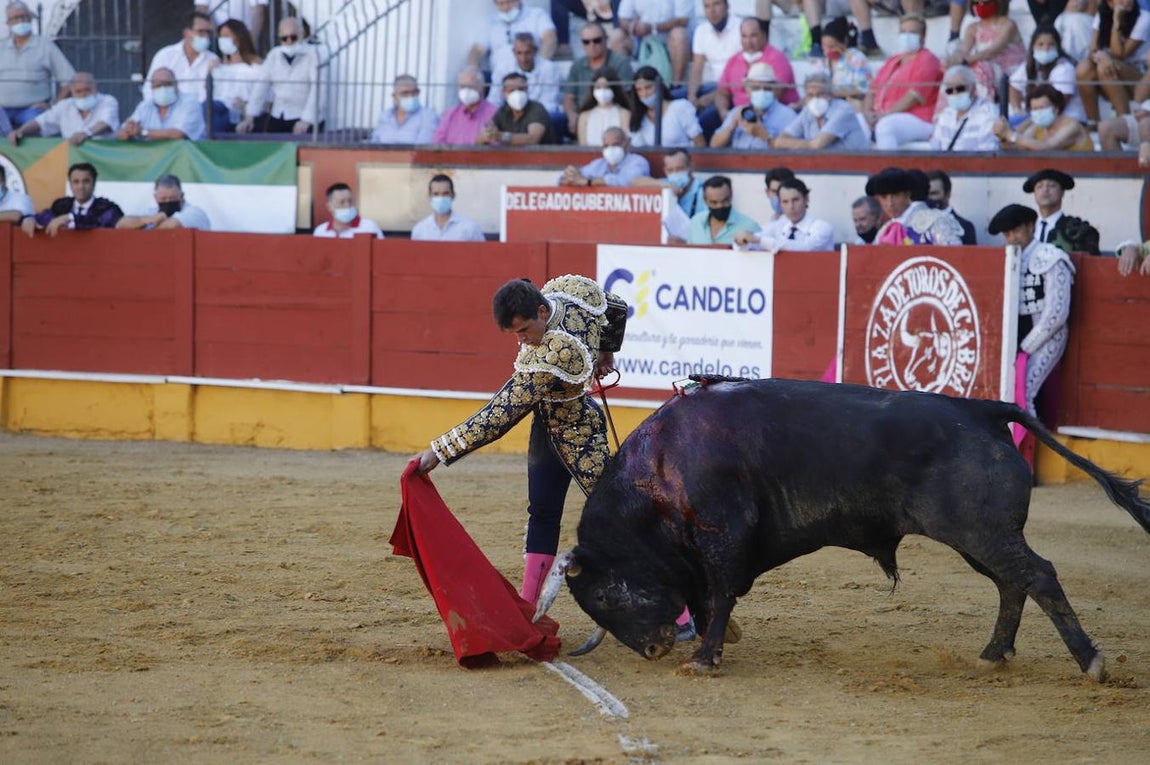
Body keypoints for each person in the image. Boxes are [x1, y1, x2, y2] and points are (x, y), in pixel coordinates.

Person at [411, 275, 625, 606]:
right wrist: (607, 352)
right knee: (541, 512)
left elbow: (500, 416)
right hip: (547, 427)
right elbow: (616, 308)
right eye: (515, 334)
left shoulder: (553, 355)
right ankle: (527, 605)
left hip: (580, 433)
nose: (523, 341)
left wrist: (439, 451)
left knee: (618, 513)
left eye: (524, 330)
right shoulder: (571, 293)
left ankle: (680, 612)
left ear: (541, 311)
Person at [986, 203, 1075, 419]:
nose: (1012, 238)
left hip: (1046, 335)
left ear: (1030, 226)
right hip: (1014, 336)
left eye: (1016, 231)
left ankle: (1027, 447)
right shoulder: (1004, 259)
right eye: (1007, 233)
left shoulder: (1051, 257)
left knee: (1023, 391)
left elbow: (1056, 314)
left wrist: (1026, 346)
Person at [863, 14, 942, 150]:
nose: (906, 36)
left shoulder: (928, 59)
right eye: (903, 32)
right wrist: (867, 113)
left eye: (912, 32)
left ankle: (888, 170)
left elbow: (913, 97)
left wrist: (883, 116)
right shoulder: (893, 60)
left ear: (923, 37)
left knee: (886, 126)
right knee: (854, 122)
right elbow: (872, 92)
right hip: (882, 115)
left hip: (918, 118)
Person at [711, 16, 799, 133]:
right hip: (739, 114)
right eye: (744, 36)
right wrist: (724, 112)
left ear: (763, 36)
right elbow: (722, 92)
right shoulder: (734, 60)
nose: (749, 41)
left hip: (773, 115)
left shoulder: (777, 59)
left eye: (753, 36)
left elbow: (774, 94)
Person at [238, 17, 320, 135]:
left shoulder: (313, 55)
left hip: (303, 117)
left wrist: (307, 120)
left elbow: (317, 90)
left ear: (302, 35)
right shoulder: (274, 55)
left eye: (293, 37)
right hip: (279, 114)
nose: (289, 42)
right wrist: (250, 116)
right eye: (284, 38)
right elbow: (261, 86)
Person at [0, 1, 75, 128]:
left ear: (30, 19)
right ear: (8, 23)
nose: (20, 21)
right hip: (2, 109)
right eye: (15, 18)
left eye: (24, 17)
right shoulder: (1, 46)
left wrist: (54, 106)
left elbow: (69, 80)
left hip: (33, 109)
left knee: (36, 129)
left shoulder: (45, 46)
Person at [1076, 0, 1150, 126]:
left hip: (1139, 75)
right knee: (1083, 68)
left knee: (1106, 67)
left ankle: (1125, 122)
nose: (1127, 1)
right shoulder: (1102, 15)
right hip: (1111, 67)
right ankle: (1093, 123)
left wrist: (1116, 21)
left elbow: (1119, 54)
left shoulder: (1143, 18)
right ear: (1110, 4)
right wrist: (1101, 55)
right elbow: (1092, 51)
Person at [562, 22, 634, 138]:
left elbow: (626, 96)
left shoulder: (621, 63)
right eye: (586, 42)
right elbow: (568, 97)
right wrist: (572, 116)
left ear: (606, 40)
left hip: (614, 114)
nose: (591, 45)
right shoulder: (577, 66)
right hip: (583, 117)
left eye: (596, 40)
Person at [6, 72, 119, 146]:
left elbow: (106, 123)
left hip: (104, 158)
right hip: (74, 162)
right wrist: (20, 131)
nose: (83, 94)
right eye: (78, 91)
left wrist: (85, 134)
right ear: (72, 92)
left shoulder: (108, 101)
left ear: (95, 88)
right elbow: (40, 122)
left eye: (87, 90)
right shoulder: (65, 106)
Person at [946, 0, 1026, 102]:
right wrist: (953, 61)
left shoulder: (1008, 24)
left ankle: (986, 104)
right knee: (953, 72)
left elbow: (993, 50)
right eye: (977, 3)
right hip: (990, 70)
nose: (981, 6)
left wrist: (966, 60)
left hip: (1011, 71)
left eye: (985, 2)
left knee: (981, 67)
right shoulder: (972, 28)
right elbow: (963, 50)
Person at [1007, 25, 1086, 125]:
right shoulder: (1030, 65)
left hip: (1065, 119)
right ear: (1033, 47)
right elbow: (1014, 87)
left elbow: (1060, 104)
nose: (1045, 48)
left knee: (1014, 129)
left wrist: (1028, 120)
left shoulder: (1065, 68)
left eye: (1051, 44)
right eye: (1040, 44)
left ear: (1058, 47)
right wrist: (1017, 110)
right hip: (1038, 116)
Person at [489, 33, 564, 138]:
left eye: (527, 53)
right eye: (519, 53)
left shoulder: (549, 68)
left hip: (538, 114)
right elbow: (493, 101)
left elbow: (549, 104)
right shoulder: (502, 69)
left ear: (535, 51)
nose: (523, 58)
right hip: (510, 114)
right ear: (513, 52)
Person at [19, 162, 123, 237]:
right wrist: (28, 219)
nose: (80, 186)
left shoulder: (105, 207)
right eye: (76, 182)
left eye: (86, 181)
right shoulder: (62, 205)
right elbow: (41, 217)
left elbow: (100, 222)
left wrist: (69, 217)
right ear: (70, 184)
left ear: (94, 183)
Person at [866, 167, 964, 245]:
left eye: (895, 196)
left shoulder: (934, 221)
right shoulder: (885, 230)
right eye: (884, 197)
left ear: (907, 194)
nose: (889, 203)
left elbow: (953, 257)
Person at [709, 62, 797, 149]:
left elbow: (793, 154)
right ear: (747, 90)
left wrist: (763, 135)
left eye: (767, 88)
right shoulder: (737, 111)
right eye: (756, 88)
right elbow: (714, 145)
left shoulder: (788, 115)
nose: (762, 91)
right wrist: (732, 126)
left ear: (774, 90)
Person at [774, 72, 870, 151]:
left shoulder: (843, 110)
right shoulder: (807, 111)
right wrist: (780, 142)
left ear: (830, 95)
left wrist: (784, 143)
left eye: (820, 94)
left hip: (854, 165)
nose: (815, 99)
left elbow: (816, 145)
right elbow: (782, 138)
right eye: (810, 95)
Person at [734, 177, 835, 252]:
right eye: (785, 202)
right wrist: (742, 240)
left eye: (795, 200)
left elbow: (804, 248)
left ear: (806, 199)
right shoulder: (779, 225)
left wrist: (760, 240)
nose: (791, 206)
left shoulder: (823, 227)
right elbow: (752, 242)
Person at [611, 0, 692, 85]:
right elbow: (623, 18)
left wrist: (653, 28)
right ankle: (626, 87)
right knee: (616, 37)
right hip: (642, 41)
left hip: (669, 43)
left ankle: (676, 85)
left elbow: (683, 20)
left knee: (679, 34)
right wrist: (632, 27)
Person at [145, 11, 219, 104]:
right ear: (186, 33)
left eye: (208, 32)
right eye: (200, 32)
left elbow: (215, 95)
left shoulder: (213, 60)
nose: (206, 36)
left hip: (199, 115)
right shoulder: (166, 55)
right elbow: (149, 89)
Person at [994, 84, 1095, 151]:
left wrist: (1011, 135)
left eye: (1041, 108)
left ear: (1056, 109)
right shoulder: (1038, 127)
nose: (1038, 112)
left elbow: (1047, 147)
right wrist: (1003, 137)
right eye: (1034, 109)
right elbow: (1018, 146)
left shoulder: (1072, 126)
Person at [1023, 168, 1101, 255]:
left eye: (1052, 185)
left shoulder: (1079, 231)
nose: (1045, 190)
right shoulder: (1025, 229)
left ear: (1062, 192)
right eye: (1039, 186)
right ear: (1034, 193)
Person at [116, 67, 206, 141]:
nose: (163, 88)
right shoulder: (145, 106)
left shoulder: (190, 102)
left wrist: (142, 132)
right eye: (158, 86)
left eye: (167, 84)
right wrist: (127, 132)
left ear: (176, 84)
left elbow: (178, 134)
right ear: (152, 88)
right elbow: (122, 132)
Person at [687, 0, 744, 114]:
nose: (712, 11)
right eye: (707, 6)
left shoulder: (742, 28)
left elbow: (741, 76)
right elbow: (697, 69)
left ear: (727, 6)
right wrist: (691, 97)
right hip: (710, 87)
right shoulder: (701, 31)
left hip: (733, 90)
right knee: (674, 99)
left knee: (704, 119)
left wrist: (712, 97)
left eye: (716, 4)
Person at [627, 66, 705, 147]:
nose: (644, 93)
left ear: (659, 86)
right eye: (639, 90)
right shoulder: (638, 117)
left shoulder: (680, 107)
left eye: (648, 87)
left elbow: (700, 143)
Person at [471, 0, 558, 73]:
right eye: (501, 4)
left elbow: (550, 40)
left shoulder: (537, 15)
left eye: (509, 2)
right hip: (500, 78)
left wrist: (538, 66)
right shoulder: (491, 22)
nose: (506, 8)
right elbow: (477, 50)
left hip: (531, 75)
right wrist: (472, 69)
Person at [209, 19, 262, 135]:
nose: (222, 40)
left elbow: (265, 101)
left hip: (240, 114)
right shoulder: (217, 67)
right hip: (216, 111)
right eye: (220, 37)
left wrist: (246, 105)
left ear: (239, 39)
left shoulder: (254, 68)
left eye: (226, 36)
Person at [928, 65, 999, 151]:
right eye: (949, 91)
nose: (955, 94)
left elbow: (988, 157)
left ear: (973, 89)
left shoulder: (987, 115)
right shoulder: (945, 115)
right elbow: (935, 152)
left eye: (960, 88)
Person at [477, 72, 556, 145]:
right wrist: (488, 135)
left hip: (541, 158)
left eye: (521, 89)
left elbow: (533, 139)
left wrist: (502, 136)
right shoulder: (503, 111)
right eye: (511, 90)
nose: (517, 93)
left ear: (527, 90)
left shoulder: (537, 109)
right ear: (504, 93)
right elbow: (479, 139)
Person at [631, 147, 706, 222]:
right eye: (670, 170)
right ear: (665, 171)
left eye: (680, 169)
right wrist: (666, 186)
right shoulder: (664, 183)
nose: (675, 173)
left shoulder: (704, 189)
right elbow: (634, 182)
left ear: (691, 167)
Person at [813, 16, 873, 107]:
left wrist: (835, 94)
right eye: (824, 46)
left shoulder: (855, 58)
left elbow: (864, 89)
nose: (828, 51)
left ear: (844, 42)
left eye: (832, 47)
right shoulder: (822, 62)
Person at [559, 126, 651, 186]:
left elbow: (629, 182)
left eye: (615, 145)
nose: (611, 149)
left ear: (626, 144)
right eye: (606, 146)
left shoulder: (638, 162)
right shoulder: (598, 164)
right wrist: (570, 176)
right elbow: (574, 178)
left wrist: (590, 182)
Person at [115, 174, 212, 231]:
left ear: (181, 196)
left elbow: (173, 225)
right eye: (163, 199)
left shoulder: (195, 212)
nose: (168, 202)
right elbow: (121, 224)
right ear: (156, 198)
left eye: (172, 198)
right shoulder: (151, 213)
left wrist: (150, 227)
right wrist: (145, 220)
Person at [432, 67, 499, 145]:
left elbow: (498, 146)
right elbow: (437, 145)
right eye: (462, 87)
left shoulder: (494, 113)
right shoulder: (450, 115)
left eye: (471, 87)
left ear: (481, 87)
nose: (466, 91)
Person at [410, 174, 487, 242]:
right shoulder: (419, 230)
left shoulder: (470, 228)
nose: (441, 198)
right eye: (436, 194)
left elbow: (481, 255)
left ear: (453, 195)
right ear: (429, 196)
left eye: (445, 193)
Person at [685, 175, 759, 244]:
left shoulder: (749, 227)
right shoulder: (696, 223)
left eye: (725, 201)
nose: (720, 206)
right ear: (705, 200)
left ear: (731, 196)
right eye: (714, 202)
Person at [370, 74, 440, 144]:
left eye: (414, 93)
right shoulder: (385, 116)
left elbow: (423, 148)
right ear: (394, 96)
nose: (411, 97)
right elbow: (374, 143)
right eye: (405, 93)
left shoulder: (428, 117)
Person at [574, 70, 631, 146]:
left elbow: (626, 143)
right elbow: (583, 146)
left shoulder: (624, 114)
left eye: (607, 87)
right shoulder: (584, 116)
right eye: (598, 87)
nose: (602, 91)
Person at [311, 182, 385, 239]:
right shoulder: (320, 231)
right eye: (342, 202)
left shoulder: (369, 227)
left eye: (350, 201)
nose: (347, 205)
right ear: (329, 207)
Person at [924, 169, 976, 245]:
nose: (929, 198)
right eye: (926, 194)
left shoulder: (965, 227)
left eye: (934, 193)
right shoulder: (915, 226)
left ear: (948, 194)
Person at [195, 1, 267, 50]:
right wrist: (218, 36)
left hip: (244, 35)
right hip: (214, 36)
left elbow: (258, 10)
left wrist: (250, 44)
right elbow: (201, 9)